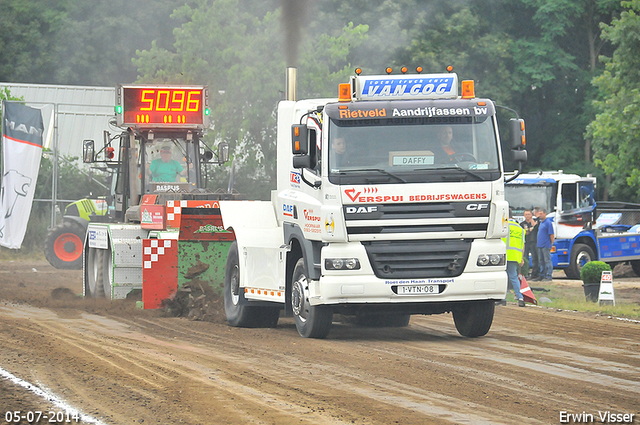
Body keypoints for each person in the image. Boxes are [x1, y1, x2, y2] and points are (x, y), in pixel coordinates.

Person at [502, 209, 526, 307]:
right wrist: (521, 258)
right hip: (515, 256)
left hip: (503, 255)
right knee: (513, 277)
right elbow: (522, 245)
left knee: (502, 277)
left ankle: (502, 298)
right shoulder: (520, 228)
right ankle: (520, 297)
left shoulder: (504, 226)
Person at [536, 207, 555, 282]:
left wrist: (551, 244)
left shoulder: (548, 223)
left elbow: (551, 235)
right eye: (539, 214)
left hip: (546, 245)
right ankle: (542, 275)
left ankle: (549, 276)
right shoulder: (541, 223)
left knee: (547, 260)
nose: (540, 215)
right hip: (540, 245)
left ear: (545, 214)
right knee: (541, 261)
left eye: (541, 214)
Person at [520, 209, 539, 279]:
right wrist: (528, 230)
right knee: (525, 258)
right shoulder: (522, 224)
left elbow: (537, 229)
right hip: (525, 243)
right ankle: (525, 273)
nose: (527, 216)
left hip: (534, 242)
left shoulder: (535, 222)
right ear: (524, 215)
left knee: (535, 258)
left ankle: (535, 274)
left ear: (531, 215)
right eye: (526, 214)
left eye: (529, 214)